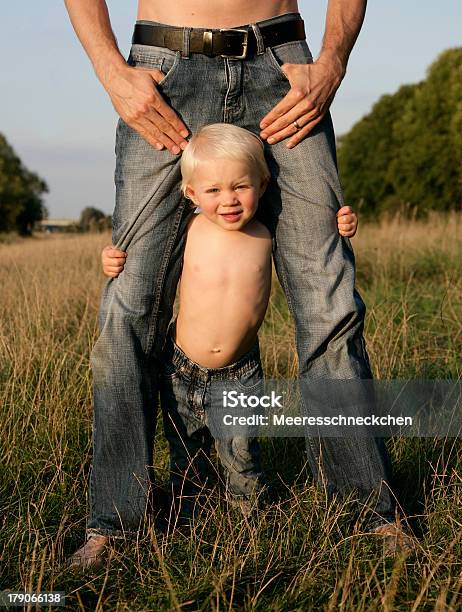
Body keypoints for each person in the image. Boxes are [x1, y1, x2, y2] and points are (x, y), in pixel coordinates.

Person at [64, 0, 414, 569]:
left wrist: (332, 60)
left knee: (331, 306)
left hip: (284, 69)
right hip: (164, 71)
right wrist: (111, 70)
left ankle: (369, 514)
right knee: (127, 312)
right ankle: (116, 524)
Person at [100, 123, 360, 524]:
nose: (229, 200)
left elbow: (315, 238)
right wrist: (113, 259)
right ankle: (189, 524)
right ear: (191, 194)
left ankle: (249, 525)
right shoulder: (189, 229)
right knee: (186, 459)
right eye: (213, 191)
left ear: (262, 183)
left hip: (240, 375)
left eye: (240, 186)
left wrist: (339, 223)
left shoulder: (268, 233)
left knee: (242, 460)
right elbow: (139, 257)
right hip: (181, 368)